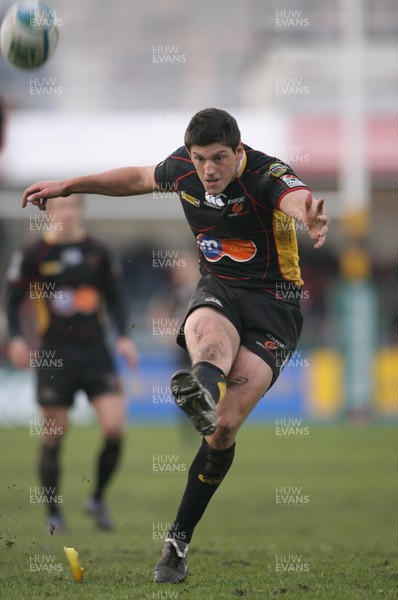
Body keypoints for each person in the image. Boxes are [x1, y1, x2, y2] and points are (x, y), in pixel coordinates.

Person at [22, 108, 328, 580]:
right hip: (220, 289)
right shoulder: (183, 170)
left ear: (238, 152)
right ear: (190, 155)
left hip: (276, 307)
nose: (209, 170)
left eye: (220, 159)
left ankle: (177, 540)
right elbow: (137, 177)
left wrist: (307, 212)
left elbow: (295, 195)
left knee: (223, 429)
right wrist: (72, 185)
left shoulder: (266, 173)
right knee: (207, 343)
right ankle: (202, 388)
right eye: (201, 158)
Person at [6, 194, 138, 534]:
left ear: (80, 211)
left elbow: (117, 297)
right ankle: (53, 513)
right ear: (49, 213)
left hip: (96, 353)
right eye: (60, 207)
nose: (66, 213)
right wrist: (18, 338)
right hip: (55, 355)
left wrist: (124, 336)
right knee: (54, 434)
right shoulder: (33, 254)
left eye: (72, 207)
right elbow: (12, 300)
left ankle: (96, 499)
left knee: (114, 428)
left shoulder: (99, 252)